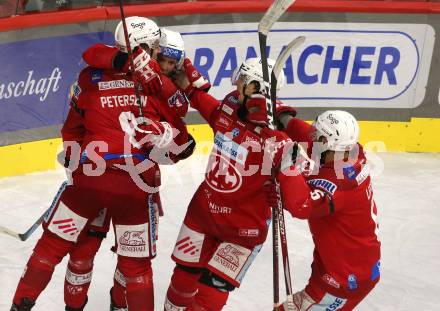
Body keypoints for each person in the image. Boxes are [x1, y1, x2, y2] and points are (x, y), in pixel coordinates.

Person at [10, 16, 188, 311]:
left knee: (50, 249)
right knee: (136, 269)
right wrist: (165, 142)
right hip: (135, 188)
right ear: (144, 47)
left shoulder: (90, 77)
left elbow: (72, 129)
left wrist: (73, 161)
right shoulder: (157, 87)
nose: (157, 53)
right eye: (154, 47)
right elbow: (183, 144)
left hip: (90, 181)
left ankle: (23, 306)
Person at [62, 27, 207, 311]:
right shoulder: (128, 71)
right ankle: (75, 304)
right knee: (85, 246)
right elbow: (94, 53)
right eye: (162, 57)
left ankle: (120, 303)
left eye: (172, 62)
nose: (165, 65)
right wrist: (75, 154)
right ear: (151, 52)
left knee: (134, 257)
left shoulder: (166, 88)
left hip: (140, 183)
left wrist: (172, 146)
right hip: (103, 172)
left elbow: (179, 139)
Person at [163, 57, 320, 311]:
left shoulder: (278, 137)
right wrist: (190, 90)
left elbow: (309, 175)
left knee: (207, 298)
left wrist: (283, 187)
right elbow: (215, 113)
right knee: (181, 282)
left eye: (242, 84)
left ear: (254, 87)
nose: (237, 88)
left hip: (243, 230)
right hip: (203, 215)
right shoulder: (231, 106)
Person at [272, 109, 381, 311]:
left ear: (327, 142)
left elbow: (301, 206)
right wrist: (284, 120)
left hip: (342, 279)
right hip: (355, 266)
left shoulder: (338, 183)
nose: (313, 137)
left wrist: (289, 165)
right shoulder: (353, 152)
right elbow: (312, 140)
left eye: (318, 134)